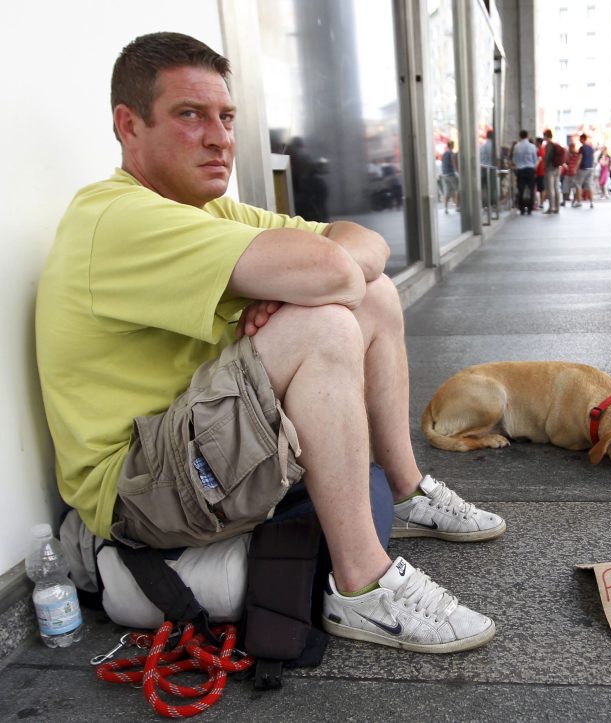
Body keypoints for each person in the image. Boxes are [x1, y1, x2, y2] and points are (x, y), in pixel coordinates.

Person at [35, 32, 505, 655]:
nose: (219, 138)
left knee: (374, 296)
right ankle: (362, 587)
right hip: (141, 490)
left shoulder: (210, 212)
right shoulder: (118, 218)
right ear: (129, 125)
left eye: (226, 117)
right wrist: (300, 290)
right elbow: (332, 269)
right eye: (190, 115)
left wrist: (294, 287)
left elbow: (364, 244)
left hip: (195, 443)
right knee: (325, 322)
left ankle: (404, 491)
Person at [512, 129, 538, 215]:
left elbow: (514, 159)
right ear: (527, 136)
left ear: (520, 136)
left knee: (521, 189)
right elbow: (535, 159)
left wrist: (518, 165)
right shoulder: (532, 146)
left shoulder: (516, 146)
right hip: (530, 169)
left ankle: (522, 208)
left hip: (520, 169)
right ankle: (530, 208)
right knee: (531, 188)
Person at [573, 133, 596, 208]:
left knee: (578, 184)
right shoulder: (591, 148)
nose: (579, 140)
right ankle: (592, 202)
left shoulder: (582, 148)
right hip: (590, 168)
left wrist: (576, 168)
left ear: (583, 139)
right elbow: (592, 158)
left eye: (580, 139)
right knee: (589, 185)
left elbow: (580, 158)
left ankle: (579, 202)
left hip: (583, 168)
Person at [542, 129, 563, 213]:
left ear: (546, 136)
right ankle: (557, 207)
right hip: (557, 168)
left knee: (550, 189)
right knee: (556, 188)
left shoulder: (549, 145)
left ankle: (551, 207)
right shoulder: (556, 144)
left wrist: (545, 166)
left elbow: (548, 157)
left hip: (550, 169)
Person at [440, 139, 459, 214]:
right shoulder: (451, 153)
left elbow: (442, 164)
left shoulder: (444, 154)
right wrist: (456, 171)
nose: (454, 146)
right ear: (451, 145)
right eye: (453, 145)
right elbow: (453, 162)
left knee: (447, 192)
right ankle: (457, 207)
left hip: (445, 174)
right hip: (451, 174)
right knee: (457, 189)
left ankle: (445, 208)